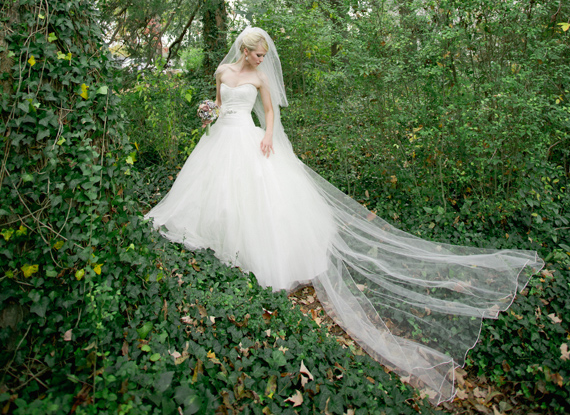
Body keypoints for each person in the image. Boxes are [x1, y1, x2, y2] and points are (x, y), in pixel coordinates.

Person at [146, 27, 543, 404]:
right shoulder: (222, 71)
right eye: (257, 54)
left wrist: (267, 134)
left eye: (265, 55)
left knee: (256, 198)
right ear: (244, 51)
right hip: (221, 140)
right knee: (219, 198)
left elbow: (269, 113)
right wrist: (209, 113)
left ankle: (252, 254)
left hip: (250, 141)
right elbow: (218, 103)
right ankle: (222, 247)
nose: (262, 59)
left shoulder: (262, 78)